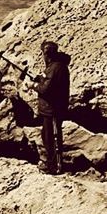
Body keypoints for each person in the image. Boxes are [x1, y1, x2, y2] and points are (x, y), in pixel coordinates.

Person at [33, 40, 70, 174]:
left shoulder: (56, 67)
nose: (44, 56)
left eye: (44, 53)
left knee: (54, 139)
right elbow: (49, 82)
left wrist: (34, 86)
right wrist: (40, 78)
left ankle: (56, 167)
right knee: (47, 138)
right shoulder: (54, 66)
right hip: (48, 110)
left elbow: (46, 89)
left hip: (54, 110)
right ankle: (51, 164)